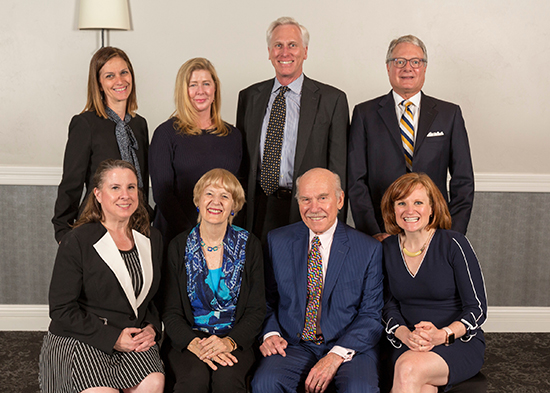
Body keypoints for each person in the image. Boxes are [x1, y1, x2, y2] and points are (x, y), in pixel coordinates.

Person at [252, 168, 383, 393]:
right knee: (265, 383)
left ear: (340, 200)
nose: (314, 208)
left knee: (360, 388)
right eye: (306, 199)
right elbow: (264, 300)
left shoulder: (368, 249)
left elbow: (371, 315)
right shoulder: (277, 241)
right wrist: (271, 333)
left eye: (323, 198)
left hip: (350, 346)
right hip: (294, 344)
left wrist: (335, 355)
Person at [39, 159, 164, 393]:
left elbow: (152, 300)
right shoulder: (77, 240)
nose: (125, 195)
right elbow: (61, 309)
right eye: (115, 188)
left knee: (154, 383)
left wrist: (152, 328)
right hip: (83, 336)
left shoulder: (151, 239)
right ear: (97, 194)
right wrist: (113, 337)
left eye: (131, 187)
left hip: (132, 336)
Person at [348, 35, 474, 242]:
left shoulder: (449, 114)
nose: (407, 68)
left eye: (415, 62)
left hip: (435, 230)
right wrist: (372, 232)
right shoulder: (364, 114)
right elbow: (356, 180)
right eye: (399, 61)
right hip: (382, 229)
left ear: (424, 68)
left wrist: (452, 233)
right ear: (388, 67)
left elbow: (463, 181)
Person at [236, 17, 349, 244]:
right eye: (278, 45)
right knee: (258, 277)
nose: (284, 52)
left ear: (305, 51)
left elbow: (338, 169)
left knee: (302, 277)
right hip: (257, 208)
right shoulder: (249, 97)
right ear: (269, 52)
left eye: (292, 45)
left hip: (306, 210)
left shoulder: (332, 100)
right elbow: (242, 163)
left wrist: (338, 226)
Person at [380, 172, 487, 392]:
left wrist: (441, 334)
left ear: (432, 209)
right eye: (402, 203)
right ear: (393, 210)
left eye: (418, 202)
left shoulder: (454, 244)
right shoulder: (387, 248)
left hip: (455, 341)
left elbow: (477, 309)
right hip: (407, 340)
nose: (410, 211)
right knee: (421, 384)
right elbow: (387, 306)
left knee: (408, 369)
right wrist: (406, 335)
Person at [161, 168, 265, 393]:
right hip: (189, 340)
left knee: (227, 380)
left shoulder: (250, 245)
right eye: (209, 194)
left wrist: (229, 342)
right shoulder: (178, 246)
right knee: (193, 380)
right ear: (198, 200)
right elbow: (170, 311)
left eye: (225, 196)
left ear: (234, 206)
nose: (215, 202)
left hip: (235, 338)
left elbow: (257, 309)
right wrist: (194, 344)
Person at [52, 47, 150, 243]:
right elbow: (71, 184)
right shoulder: (85, 124)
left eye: (124, 72)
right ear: (99, 83)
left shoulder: (139, 124)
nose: (120, 81)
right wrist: (63, 232)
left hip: (135, 228)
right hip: (97, 227)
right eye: (109, 76)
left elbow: (142, 183)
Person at [150, 58, 242, 249]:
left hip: (223, 240)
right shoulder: (166, 134)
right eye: (193, 85)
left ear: (214, 89)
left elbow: (238, 192)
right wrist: (194, 235)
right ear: (183, 92)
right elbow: (163, 194)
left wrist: (222, 233)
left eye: (206, 84)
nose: (200, 91)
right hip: (177, 238)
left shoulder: (233, 136)